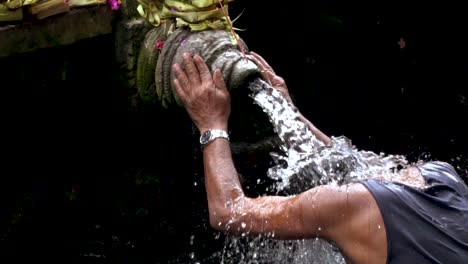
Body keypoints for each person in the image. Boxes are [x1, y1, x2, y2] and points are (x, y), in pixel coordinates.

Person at [171, 51, 468, 263]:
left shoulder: (342, 206)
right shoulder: (445, 178)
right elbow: (352, 164)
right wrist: (289, 115)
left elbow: (229, 211)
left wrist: (211, 125)